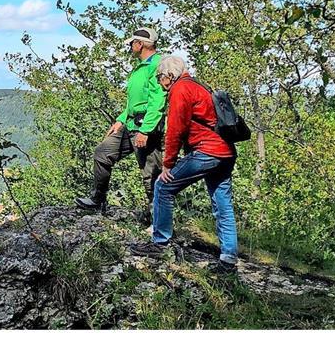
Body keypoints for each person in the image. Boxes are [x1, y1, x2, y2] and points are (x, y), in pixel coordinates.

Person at [129, 55, 238, 268]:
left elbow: (175, 131)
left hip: (207, 152)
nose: (160, 83)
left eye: (160, 77)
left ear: (170, 75)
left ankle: (160, 244)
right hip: (225, 151)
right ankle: (228, 259)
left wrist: (168, 165)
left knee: (163, 186)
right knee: (223, 205)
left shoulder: (180, 89)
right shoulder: (198, 85)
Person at [75, 27, 166, 220]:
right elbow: (134, 102)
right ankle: (98, 199)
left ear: (140, 44)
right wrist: (121, 119)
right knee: (103, 152)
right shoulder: (139, 67)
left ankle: (157, 220)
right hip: (131, 125)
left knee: (151, 174)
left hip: (145, 128)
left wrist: (146, 130)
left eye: (132, 42)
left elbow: (157, 101)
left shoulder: (157, 66)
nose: (130, 46)